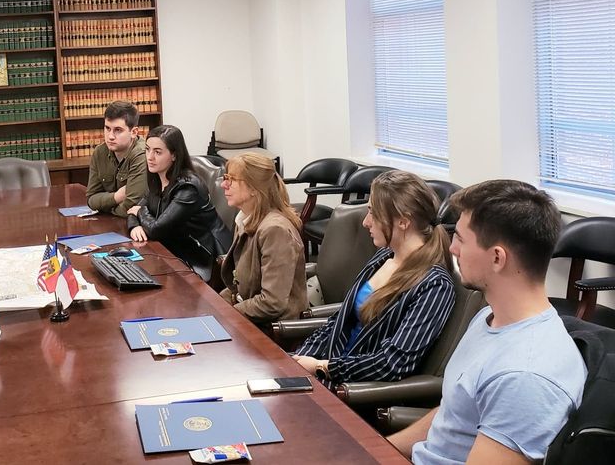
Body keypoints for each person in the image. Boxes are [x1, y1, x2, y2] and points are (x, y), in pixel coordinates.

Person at [389, 180, 587, 464]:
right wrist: (373, 449)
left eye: (459, 238)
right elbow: (453, 416)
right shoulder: (488, 318)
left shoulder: (525, 376)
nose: (452, 249)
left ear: (497, 258)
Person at [293, 170, 456, 384]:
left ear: (403, 222)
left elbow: (392, 364)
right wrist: (299, 360)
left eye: (373, 213)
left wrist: (322, 367)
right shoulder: (383, 256)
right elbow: (340, 322)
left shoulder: (435, 285)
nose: (366, 222)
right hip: (328, 375)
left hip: (355, 393)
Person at [127, 125, 232, 283]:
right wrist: (134, 225)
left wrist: (140, 212)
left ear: (174, 155)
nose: (149, 157)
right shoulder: (157, 178)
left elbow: (155, 228)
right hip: (174, 249)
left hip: (203, 258)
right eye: (147, 149)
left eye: (157, 152)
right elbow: (133, 210)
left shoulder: (188, 187)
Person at [217, 152, 307, 324]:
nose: (223, 185)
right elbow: (240, 285)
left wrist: (226, 315)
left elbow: (272, 303)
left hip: (273, 332)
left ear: (253, 188)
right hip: (249, 318)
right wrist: (215, 306)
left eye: (231, 179)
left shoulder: (275, 230)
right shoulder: (244, 219)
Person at [86, 100, 148, 217]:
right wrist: (117, 196)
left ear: (134, 132)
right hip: (111, 225)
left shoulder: (142, 154)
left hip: (138, 227)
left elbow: (131, 206)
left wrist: (105, 208)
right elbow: (91, 200)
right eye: (107, 128)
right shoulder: (100, 152)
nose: (110, 136)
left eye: (118, 130)